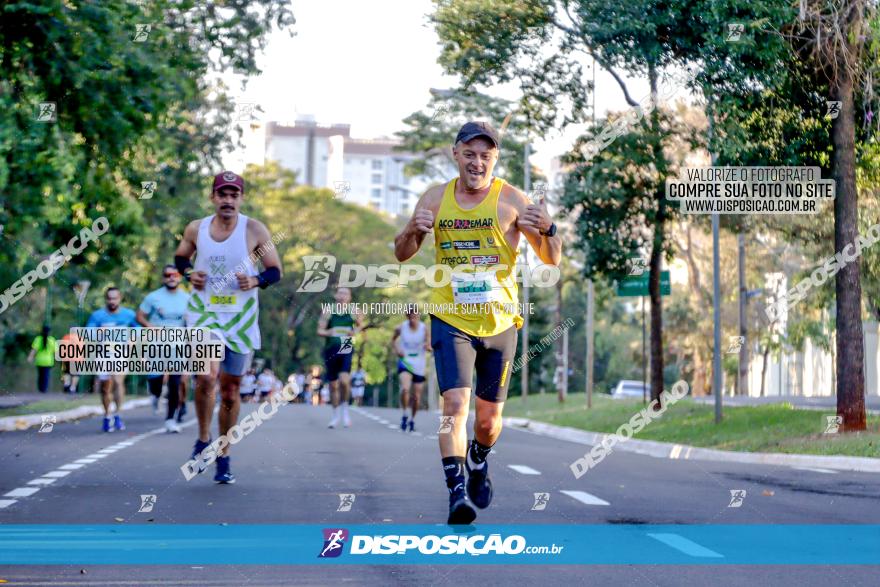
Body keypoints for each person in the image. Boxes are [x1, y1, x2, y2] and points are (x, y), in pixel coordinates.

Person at [394, 121, 561, 524]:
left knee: (487, 421)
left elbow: (551, 258)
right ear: (455, 154)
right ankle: (456, 495)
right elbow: (402, 253)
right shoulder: (434, 198)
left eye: (485, 155)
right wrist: (412, 231)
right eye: (469, 153)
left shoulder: (512, 200)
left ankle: (479, 458)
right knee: (454, 406)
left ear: (494, 158)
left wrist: (548, 227)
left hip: (500, 321)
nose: (477, 162)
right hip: (450, 316)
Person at [175, 170, 283, 484]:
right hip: (204, 312)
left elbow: (275, 270)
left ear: (241, 198)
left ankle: (224, 452)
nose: (228, 200)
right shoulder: (197, 229)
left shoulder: (254, 230)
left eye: (234, 195)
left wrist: (257, 280)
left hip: (241, 318)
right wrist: (187, 274)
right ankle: (202, 438)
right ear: (213, 197)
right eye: (222, 194)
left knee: (231, 391)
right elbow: (181, 258)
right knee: (206, 376)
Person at [136, 265, 190, 433]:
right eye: (167, 275)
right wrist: (149, 326)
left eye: (175, 274)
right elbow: (139, 315)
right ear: (163, 278)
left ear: (180, 277)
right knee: (156, 382)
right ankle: (156, 394)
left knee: (175, 382)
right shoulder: (153, 297)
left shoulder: (187, 298)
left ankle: (170, 419)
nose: (171, 278)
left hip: (178, 346)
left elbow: (193, 320)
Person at [87, 287, 140, 432]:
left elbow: (138, 328)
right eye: (109, 298)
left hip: (121, 354)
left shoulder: (128, 314)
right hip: (103, 354)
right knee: (105, 387)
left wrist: (132, 340)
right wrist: (98, 332)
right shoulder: (97, 316)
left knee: (117, 381)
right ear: (106, 299)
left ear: (120, 298)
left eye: (115, 298)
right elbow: (88, 332)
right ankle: (107, 416)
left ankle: (118, 414)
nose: (112, 301)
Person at [317, 286, 362, 428]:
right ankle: (335, 415)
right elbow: (320, 330)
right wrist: (329, 332)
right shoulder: (328, 311)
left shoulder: (354, 311)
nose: (342, 296)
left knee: (344, 380)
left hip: (346, 345)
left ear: (350, 297)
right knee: (333, 384)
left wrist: (354, 331)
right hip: (331, 347)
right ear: (336, 295)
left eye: (346, 293)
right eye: (340, 293)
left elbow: (360, 326)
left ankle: (345, 410)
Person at [392, 311, 430, 432]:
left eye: (415, 316)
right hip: (405, 361)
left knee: (417, 396)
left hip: (419, 363)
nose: (413, 319)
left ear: (419, 316)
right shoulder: (401, 327)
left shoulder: (424, 328)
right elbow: (393, 340)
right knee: (405, 388)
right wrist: (397, 350)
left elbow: (429, 344)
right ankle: (404, 413)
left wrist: (427, 347)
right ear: (407, 317)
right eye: (411, 317)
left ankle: (412, 419)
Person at [27, 325, 57, 393]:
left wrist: (30, 357)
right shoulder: (52, 339)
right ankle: (44, 389)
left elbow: (34, 350)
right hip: (48, 361)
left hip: (39, 360)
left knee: (40, 375)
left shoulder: (38, 339)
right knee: (46, 375)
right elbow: (56, 351)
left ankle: (40, 389)